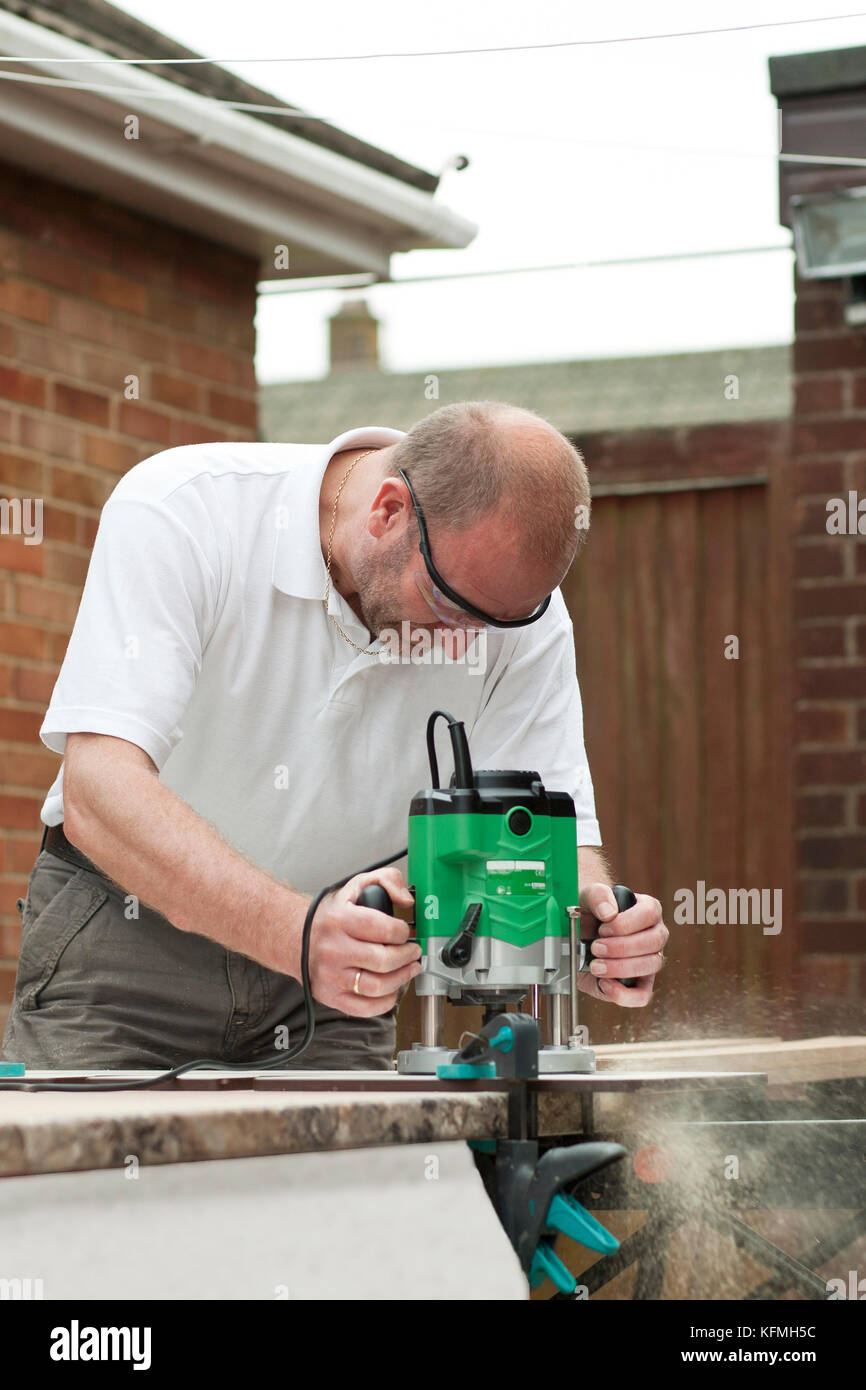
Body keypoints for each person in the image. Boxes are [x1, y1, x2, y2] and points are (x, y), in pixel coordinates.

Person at [2, 400, 668, 1071]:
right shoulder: (186, 508)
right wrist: (293, 931)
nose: (468, 643)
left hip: (341, 971)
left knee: (351, 1171)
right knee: (80, 1169)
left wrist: (587, 918)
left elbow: (541, 832)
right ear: (387, 512)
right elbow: (98, 790)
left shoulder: (519, 617)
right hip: (130, 944)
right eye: (449, 605)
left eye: (496, 624)